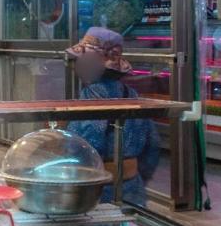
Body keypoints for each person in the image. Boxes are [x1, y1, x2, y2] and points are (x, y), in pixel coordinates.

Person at [66, 27, 161, 205]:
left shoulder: (92, 95)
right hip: (133, 187)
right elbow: (153, 145)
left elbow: (87, 145)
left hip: (102, 190)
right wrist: (137, 177)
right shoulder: (131, 94)